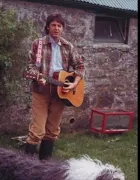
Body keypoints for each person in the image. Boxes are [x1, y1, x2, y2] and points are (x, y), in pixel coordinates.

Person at [25, 13, 85, 160]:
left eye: (59, 25)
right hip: (41, 91)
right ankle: (24, 165)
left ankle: (45, 166)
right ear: (48, 26)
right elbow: (30, 67)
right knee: (37, 130)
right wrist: (38, 77)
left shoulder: (67, 46)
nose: (56, 28)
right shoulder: (38, 44)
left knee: (52, 131)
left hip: (60, 94)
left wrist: (74, 83)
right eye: (53, 25)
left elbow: (80, 66)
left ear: (62, 29)